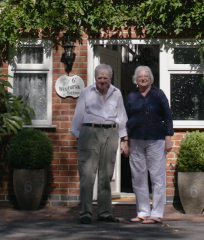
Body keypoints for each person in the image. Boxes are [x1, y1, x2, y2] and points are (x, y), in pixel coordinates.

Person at [70, 64, 128, 224]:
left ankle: (104, 212)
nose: (102, 81)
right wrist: (77, 138)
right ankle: (86, 213)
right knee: (87, 174)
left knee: (106, 174)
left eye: (105, 78)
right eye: (99, 78)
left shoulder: (117, 94)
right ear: (95, 78)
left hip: (110, 133)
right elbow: (78, 115)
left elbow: (122, 116)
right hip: (89, 132)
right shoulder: (86, 93)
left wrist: (124, 139)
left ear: (110, 78)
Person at [123, 65, 173, 224]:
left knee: (157, 177)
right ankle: (143, 212)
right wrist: (124, 141)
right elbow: (124, 120)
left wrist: (168, 137)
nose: (143, 78)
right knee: (138, 178)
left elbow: (168, 116)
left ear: (150, 78)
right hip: (135, 141)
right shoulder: (131, 97)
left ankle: (157, 213)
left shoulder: (158, 95)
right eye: (140, 76)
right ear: (136, 79)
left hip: (156, 140)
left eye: (146, 76)